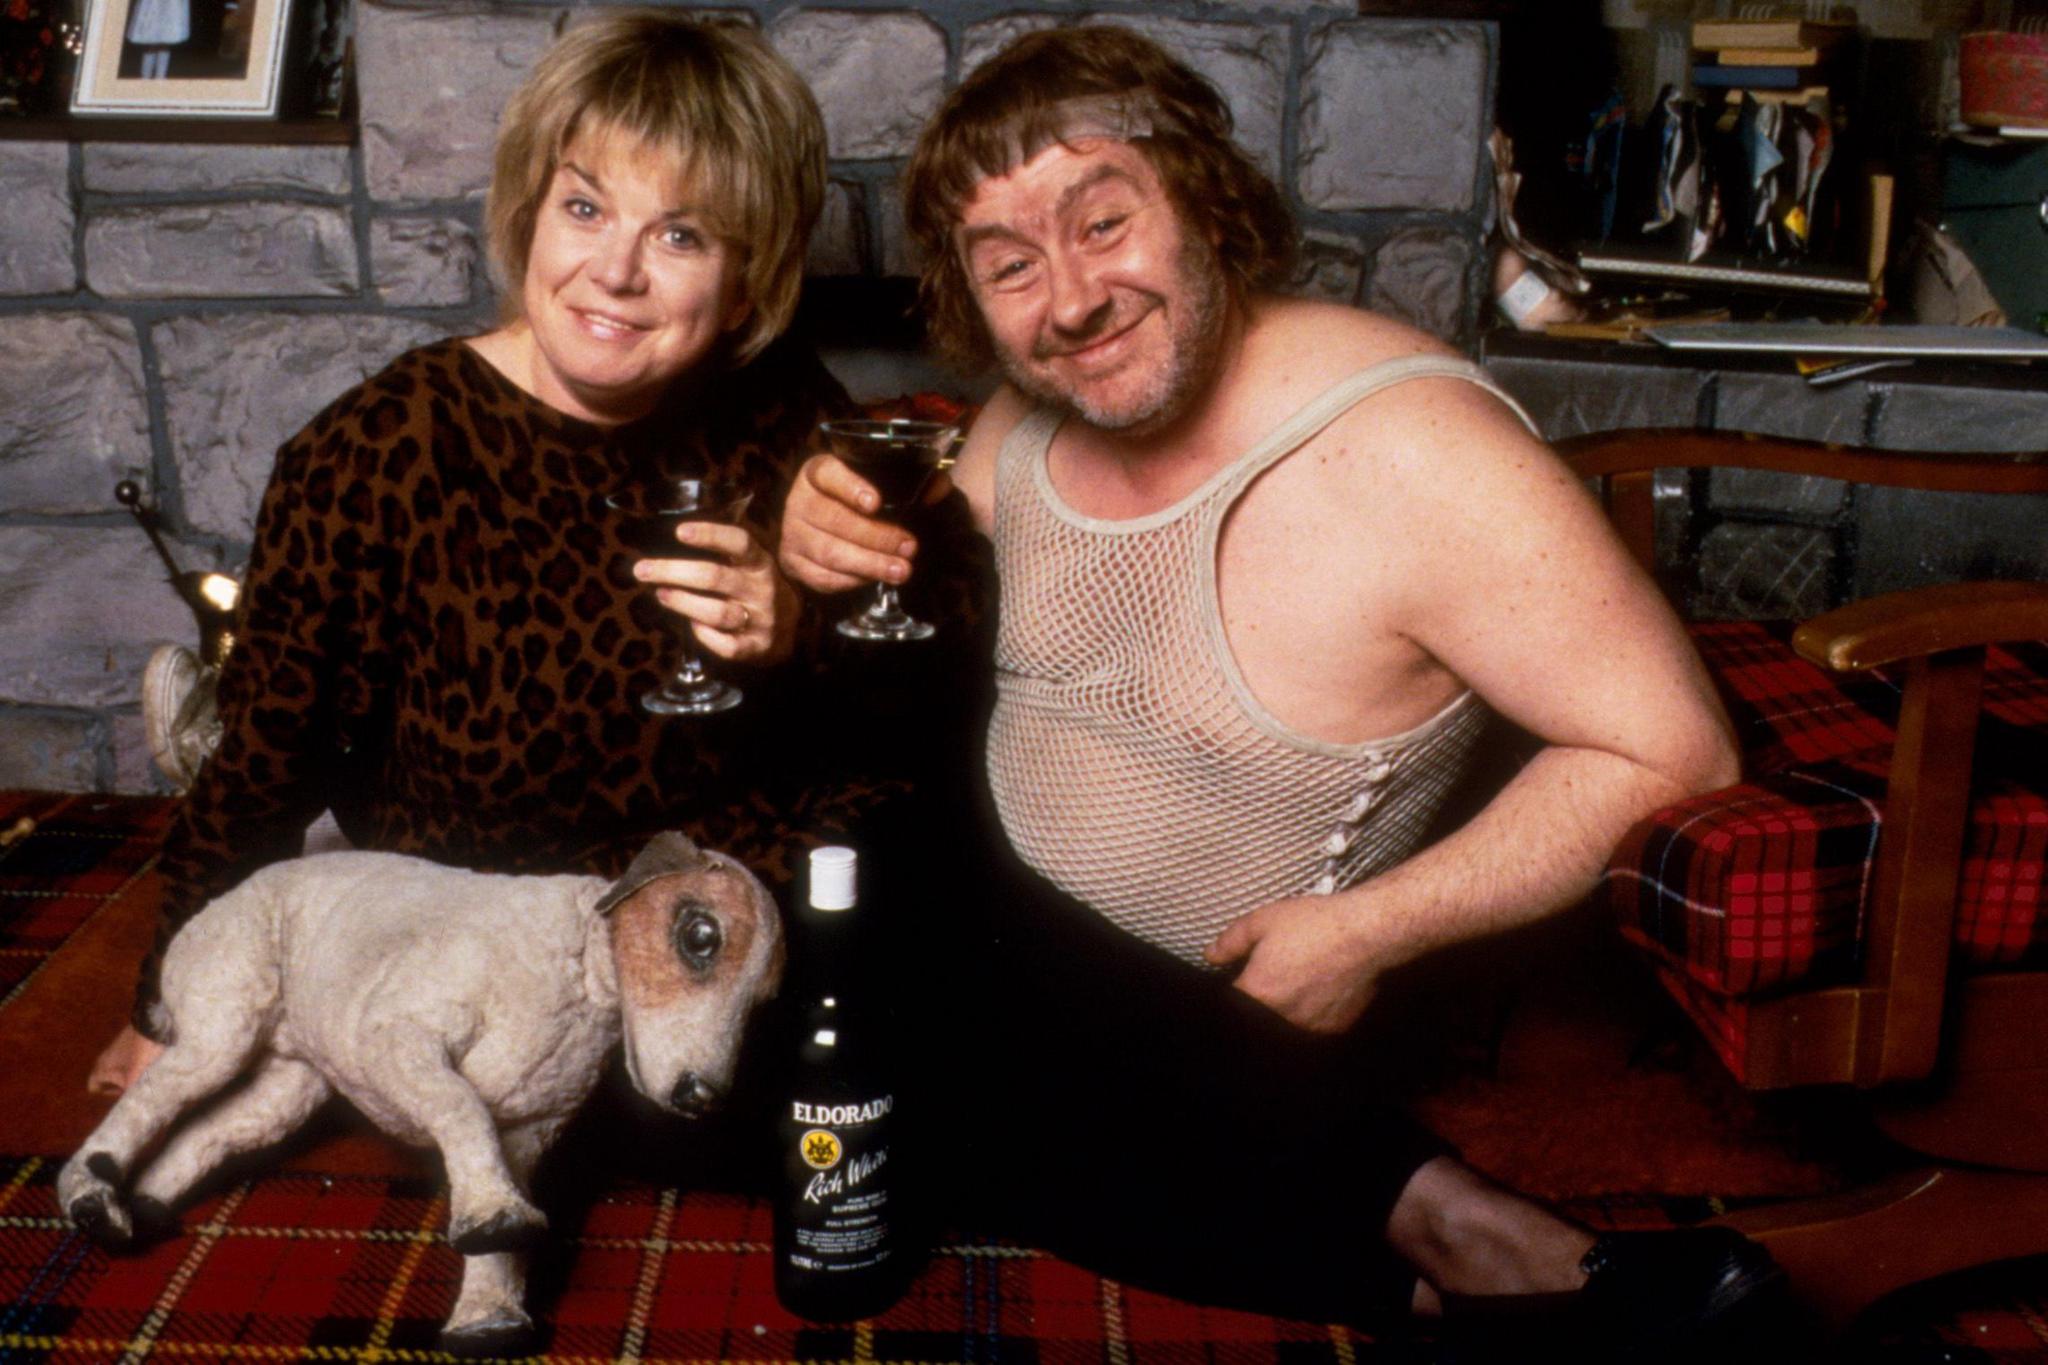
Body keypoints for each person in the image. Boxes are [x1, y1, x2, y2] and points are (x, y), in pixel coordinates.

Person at [778, 26, 1781, 1358]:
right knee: (878, 937)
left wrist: (1371, 930)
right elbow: (898, 637)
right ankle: (1480, 1284)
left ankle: (1483, 1245)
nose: (1068, 299)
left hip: (1253, 1032)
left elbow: (1674, 749)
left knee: (887, 1030)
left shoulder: (1415, 451)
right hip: (1019, 982)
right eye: (1011, 266)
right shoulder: (1017, 430)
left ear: (1201, 195)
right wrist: (808, 531)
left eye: (1104, 221)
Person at [91, 11, 856, 1096]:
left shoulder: (781, 416)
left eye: (681, 236)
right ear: (529, 211)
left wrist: (797, 634)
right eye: (584, 207)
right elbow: (268, 758)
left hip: (693, 916)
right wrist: (165, 998)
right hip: (463, 933)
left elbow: (900, 673)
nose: (616, 271)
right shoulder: (371, 449)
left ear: (747, 278)